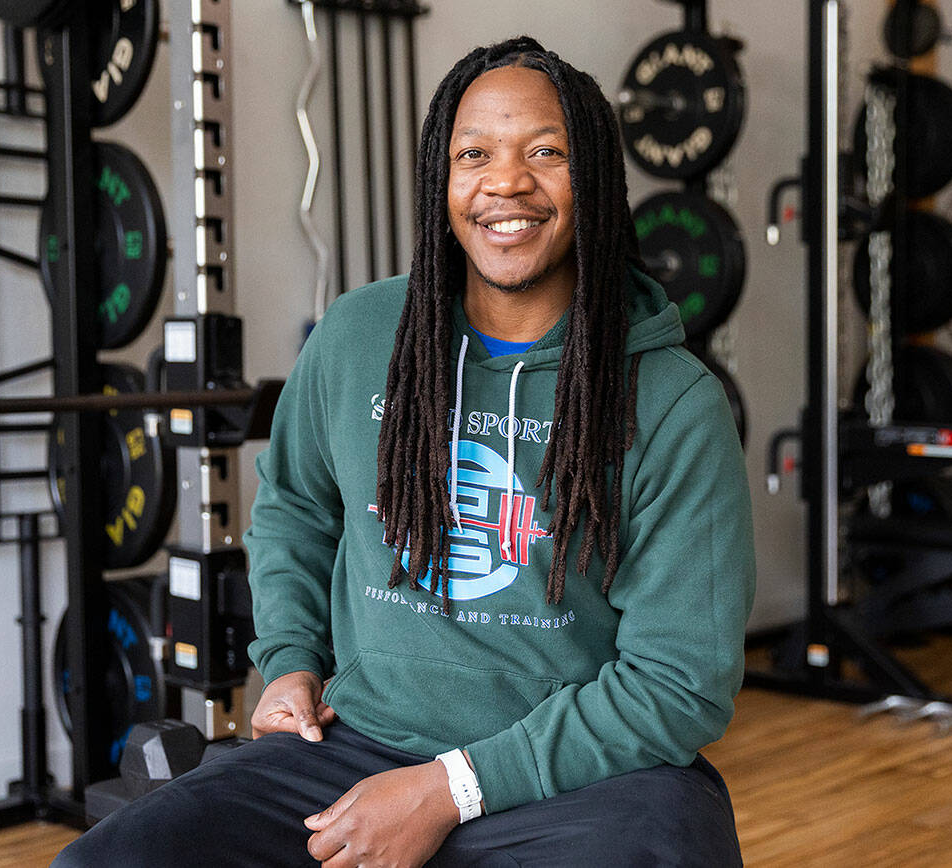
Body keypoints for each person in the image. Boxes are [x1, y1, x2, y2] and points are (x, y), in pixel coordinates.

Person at [55, 35, 754, 867]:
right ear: (442, 179)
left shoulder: (673, 403)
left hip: (575, 778)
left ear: (594, 178)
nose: (506, 182)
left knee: (674, 848)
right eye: (475, 154)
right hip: (358, 745)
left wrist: (450, 788)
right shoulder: (358, 339)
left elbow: (678, 684)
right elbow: (294, 510)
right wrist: (288, 661)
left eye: (545, 152)